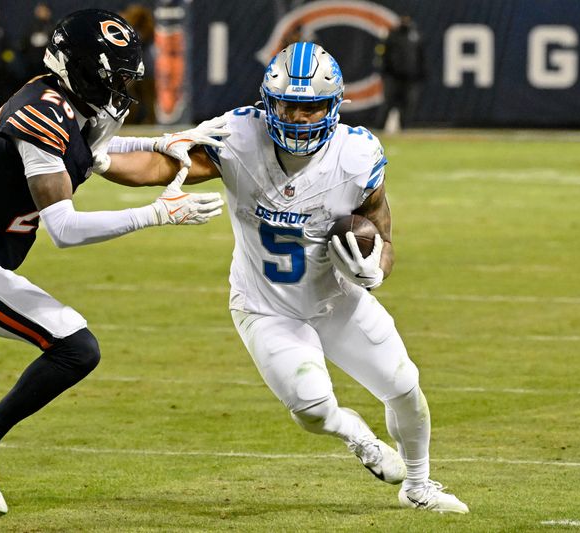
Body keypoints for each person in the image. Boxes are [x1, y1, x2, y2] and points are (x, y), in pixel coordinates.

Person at [0, 9, 226, 516]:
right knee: (76, 348)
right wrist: (157, 214)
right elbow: (64, 228)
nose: (121, 88)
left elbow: (90, 151)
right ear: (81, 69)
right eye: (113, 76)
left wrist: (157, 143)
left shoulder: (69, 103)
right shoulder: (40, 116)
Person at [178, 42, 469, 514]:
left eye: (310, 107)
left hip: (336, 299)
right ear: (267, 104)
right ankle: (355, 433)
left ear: (333, 106)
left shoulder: (357, 154)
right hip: (266, 306)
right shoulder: (239, 136)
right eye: (286, 106)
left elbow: (384, 238)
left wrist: (374, 269)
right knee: (313, 409)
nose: (297, 117)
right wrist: (110, 154)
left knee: (405, 388)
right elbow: (158, 168)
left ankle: (418, 486)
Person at [375, 16, 426, 132]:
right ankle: (380, 127)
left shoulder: (415, 36)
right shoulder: (392, 36)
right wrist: (385, 71)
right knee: (388, 102)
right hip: (392, 76)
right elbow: (382, 54)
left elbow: (421, 56)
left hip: (410, 77)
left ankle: (405, 127)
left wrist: (421, 73)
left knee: (408, 103)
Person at [19, 2, 54, 81]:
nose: (42, 13)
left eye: (44, 10)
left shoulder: (52, 26)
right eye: (40, 10)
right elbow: (23, 44)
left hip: (48, 63)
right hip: (32, 64)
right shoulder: (31, 27)